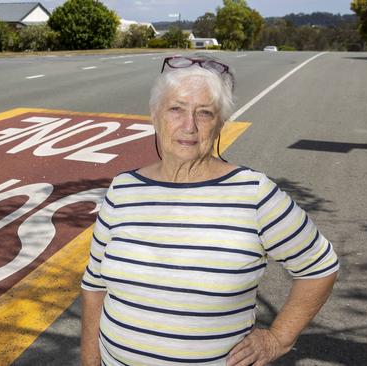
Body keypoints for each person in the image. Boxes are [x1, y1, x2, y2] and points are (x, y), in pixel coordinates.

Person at [80, 56, 339, 366]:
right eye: (176, 109)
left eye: (204, 113)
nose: (188, 126)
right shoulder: (123, 189)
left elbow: (319, 267)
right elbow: (95, 288)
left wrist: (278, 338)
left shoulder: (254, 194)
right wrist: (91, 361)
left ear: (220, 125)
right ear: (154, 115)